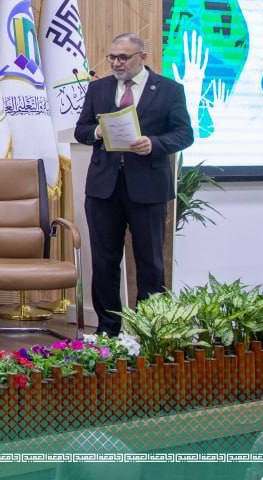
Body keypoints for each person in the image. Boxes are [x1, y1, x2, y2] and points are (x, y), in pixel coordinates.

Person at [75, 32, 194, 335]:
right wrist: (97, 132)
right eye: (112, 57)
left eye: (123, 58)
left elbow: (184, 134)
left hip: (148, 187)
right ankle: (108, 329)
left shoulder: (169, 90)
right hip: (104, 188)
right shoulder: (99, 88)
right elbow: (81, 130)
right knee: (104, 261)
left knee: (150, 261)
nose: (116, 63)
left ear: (142, 57)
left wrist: (154, 143)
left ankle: (148, 329)